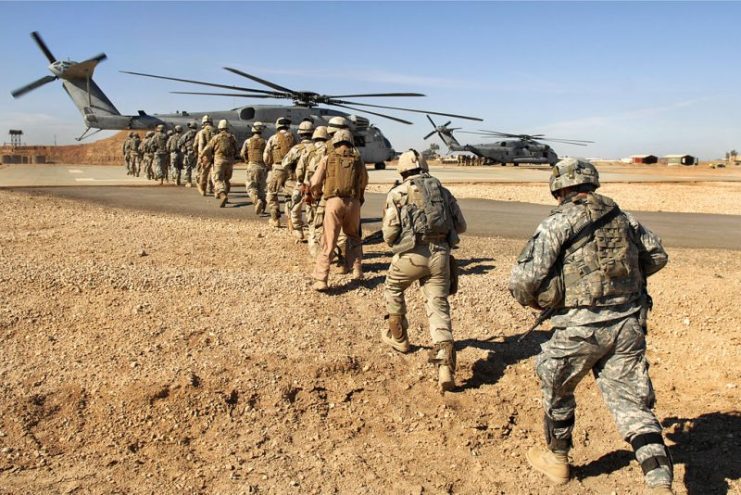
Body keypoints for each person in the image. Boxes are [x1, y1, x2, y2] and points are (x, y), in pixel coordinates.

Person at [508, 158, 673, 494]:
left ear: (559, 187)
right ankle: (660, 483)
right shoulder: (622, 217)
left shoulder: (558, 222)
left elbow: (523, 281)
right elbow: (657, 255)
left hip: (579, 329)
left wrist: (543, 300)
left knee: (555, 382)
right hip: (628, 326)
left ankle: (557, 459)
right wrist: (623, 288)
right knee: (633, 405)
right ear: (591, 183)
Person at [381, 150, 467, 392]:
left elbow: (389, 234)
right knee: (438, 306)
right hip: (441, 255)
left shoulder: (397, 193)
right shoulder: (442, 191)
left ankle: (399, 338)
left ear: (402, 170)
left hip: (412, 255)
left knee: (393, 287)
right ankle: (445, 369)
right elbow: (461, 226)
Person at [309, 129, 367, 291]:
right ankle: (357, 270)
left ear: (335, 142)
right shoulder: (358, 160)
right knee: (354, 237)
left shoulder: (328, 158)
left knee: (329, 240)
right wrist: (357, 199)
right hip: (353, 203)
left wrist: (317, 193)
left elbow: (315, 181)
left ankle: (321, 278)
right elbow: (363, 181)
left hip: (334, 202)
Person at [296, 126, 328, 255]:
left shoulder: (308, 150)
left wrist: (302, 181)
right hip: (326, 191)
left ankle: (315, 249)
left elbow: (299, 171)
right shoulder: (330, 150)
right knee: (325, 221)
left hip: (310, 191)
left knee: (311, 221)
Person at [281, 119, 315, 240]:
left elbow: (284, 163)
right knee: (313, 209)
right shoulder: (318, 148)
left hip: (299, 183)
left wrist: (293, 171)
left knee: (295, 207)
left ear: (300, 134)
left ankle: (298, 230)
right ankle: (313, 233)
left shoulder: (296, 149)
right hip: (315, 183)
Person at [264, 117, 296, 227]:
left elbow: (266, 155)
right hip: (291, 169)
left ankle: (275, 219)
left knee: (271, 193)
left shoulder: (273, 138)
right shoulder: (293, 137)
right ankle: (291, 220)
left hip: (278, 168)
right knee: (289, 195)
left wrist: (269, 165)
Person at [201, 119, 238, 208]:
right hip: (229, 162)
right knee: (227, 180)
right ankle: (226, 195)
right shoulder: (232, 137)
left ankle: (222, 195)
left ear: (219, 128)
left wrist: (202, 155)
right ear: (227, 127)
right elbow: (236, 150)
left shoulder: (216, 137)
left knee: (218, 180)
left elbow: (207, 149)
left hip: (219, 161)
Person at [240, 121, 268, 214]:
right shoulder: (265, 141)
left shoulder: (248, 141)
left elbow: (242, 153)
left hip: (252, 166)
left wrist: (246, 161)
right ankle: (263, 206)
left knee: (251, 187)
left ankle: (257, 201)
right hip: (263, 168)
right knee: (261, 188)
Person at [195, 115, 216, 196]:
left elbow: (195, 144)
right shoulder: (216, 131)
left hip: (204, 155)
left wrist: (198, 153)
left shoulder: (201, 132)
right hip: (215, 154)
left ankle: (203, 189)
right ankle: (211, 188)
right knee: (213, 172)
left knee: (203, 172)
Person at [177, 121, 198, 187]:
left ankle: (189, 182)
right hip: (198, 152)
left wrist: (183, 149)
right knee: (199, 168)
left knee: (188, 167)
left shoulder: (187, 134)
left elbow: (180, 142)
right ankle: (199, 182)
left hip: (189, 152)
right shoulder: (199, 133)